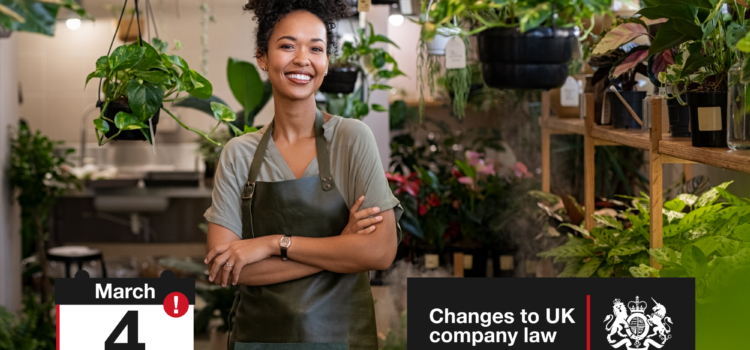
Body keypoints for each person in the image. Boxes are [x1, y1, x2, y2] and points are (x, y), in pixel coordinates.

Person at [202, 1, 403, 349]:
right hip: (257, 342)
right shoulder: (238, 154)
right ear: (262, 57)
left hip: (343, 340)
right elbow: (225, 268)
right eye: (287, 45)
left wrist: (271, 244)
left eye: (316, 48)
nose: (302, 59)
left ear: (326, 61)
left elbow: (379, 252)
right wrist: (341, 248)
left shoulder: (352, 140)